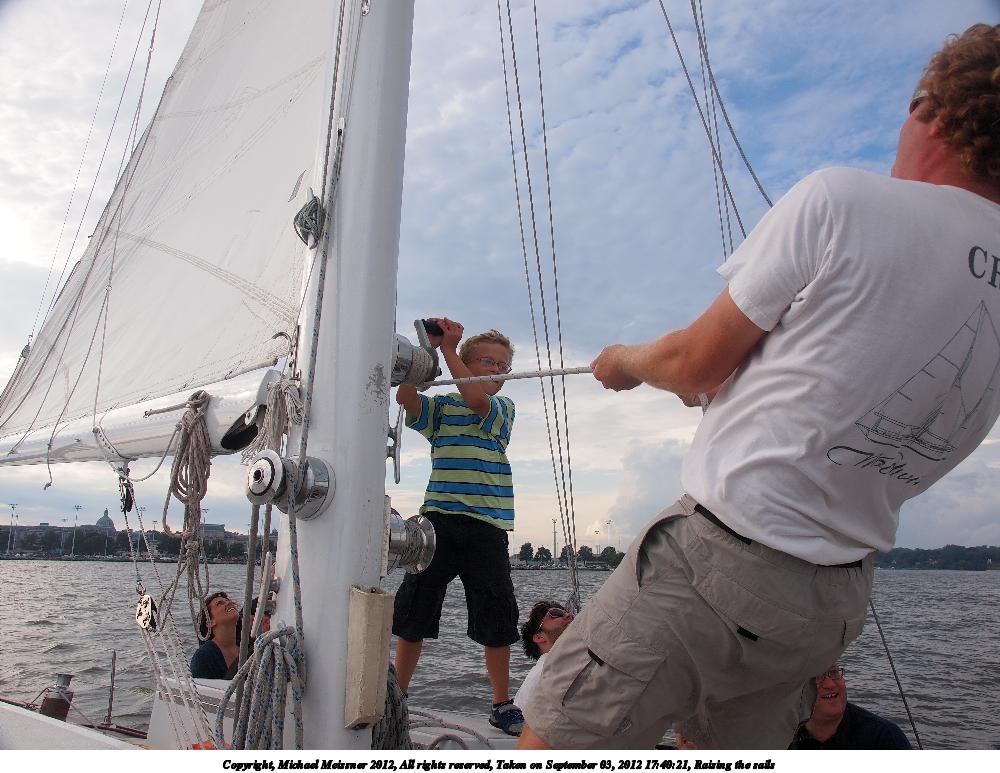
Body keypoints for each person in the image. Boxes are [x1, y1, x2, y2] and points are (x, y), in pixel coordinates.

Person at [519, 24, 1000, 750]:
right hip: (833, 603)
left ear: (929, 110)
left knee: (555, 739)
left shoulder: (846, 200)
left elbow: (694, 363)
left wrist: (625, 361)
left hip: (719, 567)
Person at [392, 318, 523, 735]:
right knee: (416, 605)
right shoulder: (444, 407)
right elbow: (406, 398)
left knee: (496, 611)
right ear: (466, 364)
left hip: (486, 527)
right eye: (488, 362)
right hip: (439, 522)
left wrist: (449, 350)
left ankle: (501, 703)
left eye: (502, 366)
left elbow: (478, 400)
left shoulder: (503, 409)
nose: (496, 370)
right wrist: (428, 352)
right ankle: (398, 693)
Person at [790, 664, 911, 749]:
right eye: (818, 677)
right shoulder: (784, 735)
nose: (830, 684)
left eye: (834, 672)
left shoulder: (884, 738)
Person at [514, 602, 575, 707]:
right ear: (539, 637)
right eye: (556, 613)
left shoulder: (567, 665)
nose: (569, 615)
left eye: (567, 612)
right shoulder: (543, 675)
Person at [190, 591, 240, 679]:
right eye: (220, 603)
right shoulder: (203, 657)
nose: (229, 602)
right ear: (210, 622)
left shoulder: (250, 647)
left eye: (227, 600)